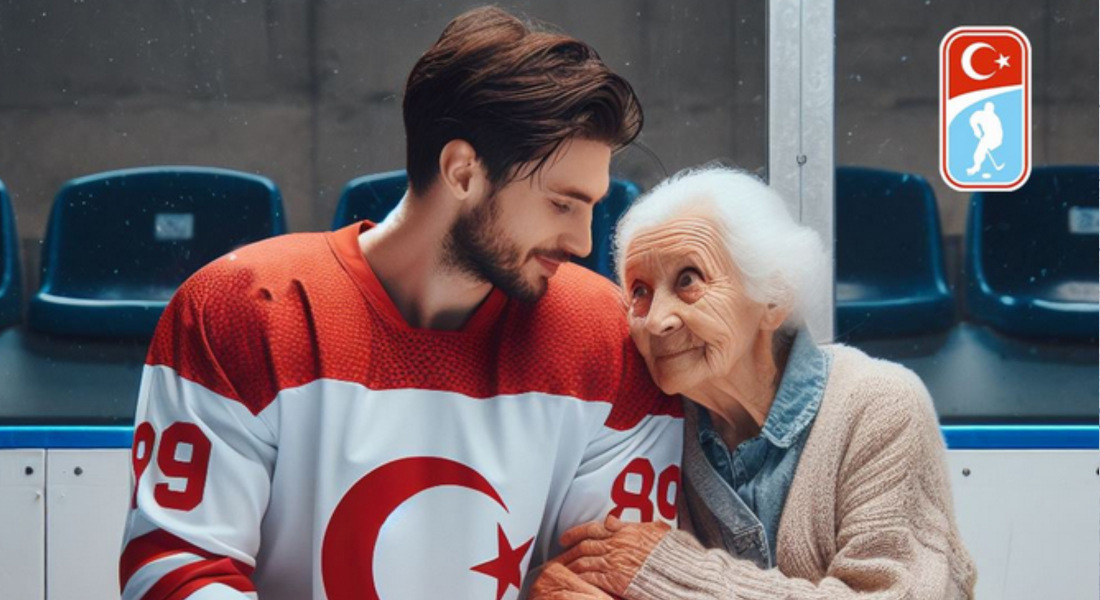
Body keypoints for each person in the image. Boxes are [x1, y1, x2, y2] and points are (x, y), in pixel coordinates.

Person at [118, 7, 683, 600]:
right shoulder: (243, 308)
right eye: (562, 205)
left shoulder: (607, 337)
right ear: (463, 172)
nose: (584, 242)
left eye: (593, 206)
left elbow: (613, 582)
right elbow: (178, 570)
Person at [533, 167, 976, 599]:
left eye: (688, 280)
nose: (656, 321)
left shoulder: (877, 406)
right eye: (639, 292)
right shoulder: (651, 422)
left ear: (773, 298)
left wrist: (669, 574)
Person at [966, 101, 1004, 176]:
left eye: (991, 109)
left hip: (994, 137)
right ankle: (977, 166)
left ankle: (976, 167)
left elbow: (998, 132)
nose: (989, 110)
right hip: (987, 136)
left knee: (980, 150)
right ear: (985, 108)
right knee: (980, 151)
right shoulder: (981, 114)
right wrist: (976, 129)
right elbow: (972, 120)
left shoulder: (994, 118)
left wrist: (987, 140)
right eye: (988, 108)